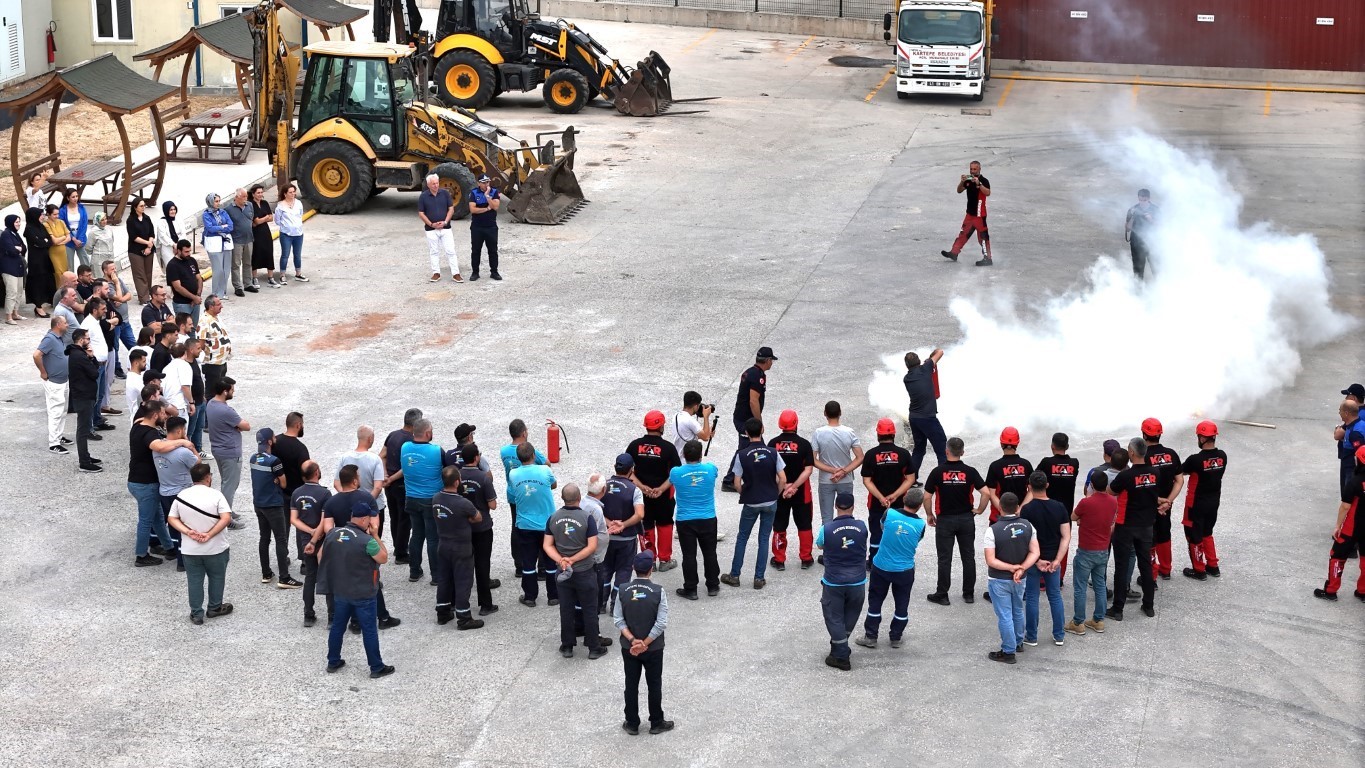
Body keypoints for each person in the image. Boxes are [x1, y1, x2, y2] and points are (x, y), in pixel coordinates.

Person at [316, 502, 395, 678]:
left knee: (338, 626)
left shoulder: (333, 533)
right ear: (365, 519)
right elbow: (383, 558)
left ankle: (333, 661)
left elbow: (320, 555)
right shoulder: (367, 541)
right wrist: (375, 535)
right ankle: (376, 667)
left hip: (340, 591)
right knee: (369, 630)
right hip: (363, 592)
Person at [316, 467, 401, 631]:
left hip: (342, 545)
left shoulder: (332, 502)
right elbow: (374, 523)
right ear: (355, 480)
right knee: (371, 580)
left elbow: (328, 528)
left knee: (349, 581)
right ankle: (382, 617)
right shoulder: (366, 497)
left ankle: (355, 621)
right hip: (363, 543)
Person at [854, 487, 926, 650]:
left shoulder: (889, 514)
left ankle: (871, 636)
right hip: (904, 570)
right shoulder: (920, 524)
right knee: (902, 603)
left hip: (881, 567)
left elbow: (882, 527)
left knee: (875, 601)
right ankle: (895, 637)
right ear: (920, 506)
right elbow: (918, 538)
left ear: (905, 498)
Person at [923, 436, 990, 606]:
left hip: (945, 520)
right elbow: (986, 493)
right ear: (962, 452)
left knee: (945, 558)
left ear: (946, 451)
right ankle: (968, 594)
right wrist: (980, 510)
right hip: (966, 519)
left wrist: (930, 514)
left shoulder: (937, 472)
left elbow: (927, 496)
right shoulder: (970, 471)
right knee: (968, 557)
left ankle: (942, 594)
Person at [721, 418, 786, 590]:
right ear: (762, 430)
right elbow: (783, 479)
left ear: (747, 433)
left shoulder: (742, 455)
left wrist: (746, 493)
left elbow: (736, 483)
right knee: (764, 538)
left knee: (742, 537)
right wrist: (775, 494)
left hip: (751, 502)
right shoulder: (773, 452)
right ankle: (759, 578)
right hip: (770, 501)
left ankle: (735, 575)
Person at [128, 401, 193, 566]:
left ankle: (169, 547)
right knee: (146, 520)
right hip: (146, 483)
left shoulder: (138, 424)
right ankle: (141, 556)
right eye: (164, 413)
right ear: (155, 415)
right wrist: (183, 442)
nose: (166, 417)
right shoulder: (150, 434)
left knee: (157, 517)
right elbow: (159, 446)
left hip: (138, 481)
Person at [167, 463, 234, 624]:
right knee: (217, 577)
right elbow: (226, 518)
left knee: (194, 580)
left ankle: (196, 613)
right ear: (208, 477)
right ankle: (214, 607)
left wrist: (187, 531)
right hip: (216, 547)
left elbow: (171, 518)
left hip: (191, 548)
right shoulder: (216, 495)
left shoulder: (182, 496)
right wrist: (209, 534)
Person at [615, 551, 673, 735]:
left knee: (631, 684)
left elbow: (618, 619)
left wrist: (633, 640)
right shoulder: (658, 591)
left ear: (633, 568)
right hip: (654, 648)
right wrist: (646, 643)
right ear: (650, 570)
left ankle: (632, 722)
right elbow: (661, 622)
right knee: (654, 683)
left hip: (629, 647)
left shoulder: (623, 590)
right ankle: (656, 721)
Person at [544, 484, 604, 658]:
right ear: (579, 498)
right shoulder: (587, 518)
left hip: (563, 572)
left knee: (566, 609)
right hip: (584, 571)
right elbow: (592, 546)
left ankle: (568, 646)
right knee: (590, 609)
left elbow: (547, 545)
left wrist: (561, 560)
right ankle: (594, 647)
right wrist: (574, 559)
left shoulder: (553, 518)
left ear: (563, 499)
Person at [1107, 438, 1160, 620]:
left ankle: (1118, 609)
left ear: (1131, 452)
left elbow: (1111, 491)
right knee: (1145, 565)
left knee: (1121, 567)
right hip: (1146, 526)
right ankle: (1149, 606)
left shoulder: (1126, 476)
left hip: (1126, 525)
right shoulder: (1155, 473)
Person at [816, 492, 868, 671]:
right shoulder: (862, 527)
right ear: (853, 507)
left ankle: (841, 655)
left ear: (835, 506)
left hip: (834, 582)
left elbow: (820, 545)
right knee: (851, 614)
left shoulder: (827, 528)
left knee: (833, 617)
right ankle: (841, 645)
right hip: (857, 581)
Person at [1019, 472, 1071, 647]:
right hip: (1052, 561)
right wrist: (1057, 560)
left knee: (1032, 597)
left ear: (1029, 486)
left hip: (1035, 560)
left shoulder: (1026, 510)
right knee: (1055, 596)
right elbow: (1066, 536)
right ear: (1047, 485)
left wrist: (1036, 560)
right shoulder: (1060, 507)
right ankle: (1059, 635)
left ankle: (1032, 636)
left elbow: (1024, 539)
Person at [984, 493, 1038, 664]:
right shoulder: (1028, 525)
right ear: (1017, 508)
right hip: (1020, 579)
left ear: (1000, 507)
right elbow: (1035, 552)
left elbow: (990, 560)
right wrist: (1021, 568)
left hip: (999, 579)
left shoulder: (993, 530)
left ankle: (1008, 651)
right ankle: (1018, 642)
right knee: (1017, 610)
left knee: (1005, 615)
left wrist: (1011, 567)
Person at [626, 410, 682, 571]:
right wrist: (660, 489)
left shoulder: (634, 445)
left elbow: (627, 471)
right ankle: (665, 560)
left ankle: (648, 559)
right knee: (665, 523)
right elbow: (675, 473)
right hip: (664, 495)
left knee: (646, 524)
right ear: (661, 426)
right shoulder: (669, 448)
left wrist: (642, 487)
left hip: (641, 496)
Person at [250, 427, 303, 589]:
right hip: (273, 504)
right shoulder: (274, 461)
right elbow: (284, 483)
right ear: (270, 441)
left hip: (258, 504)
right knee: (280, 539)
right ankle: (284, 577)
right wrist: (276, 480)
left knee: (264, 538)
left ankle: (266, 573)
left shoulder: (253, 458)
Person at [860, 418, 916, 569]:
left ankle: (873, 563)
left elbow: (867, 480)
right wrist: (896, 495)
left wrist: (881, 498)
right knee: (898, 530)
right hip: (898, 503)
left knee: (877, 533)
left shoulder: (871, 455)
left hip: (876, 502)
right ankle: (896, 560)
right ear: (893, 434)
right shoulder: (903, 454)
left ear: (878, 434)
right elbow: (910, 479)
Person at [1065, 472, 1117, 635]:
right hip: (1103, 550)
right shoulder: (1112, 502)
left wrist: (1082, 520)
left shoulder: (1086, 503)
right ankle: (1098, 620)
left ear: (1092, 485)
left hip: (1086, 550)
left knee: (1080, 587)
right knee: (1100, 585)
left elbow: (1073, 516)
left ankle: (1078, 622)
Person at [433, 466, 484, 629]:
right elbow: (478, 517)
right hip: (461, 548)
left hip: (443, 545)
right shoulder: (463, 503)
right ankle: (463, 617)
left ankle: (442, 612)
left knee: (444, 579)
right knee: (463, 581)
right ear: (457, 482)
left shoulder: (435, 499)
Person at [509, 441, 559, 606]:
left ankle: (530, 596)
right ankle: (554, 595)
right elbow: (554, 484)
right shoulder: (545, 470)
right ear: (534, 456)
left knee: (528, 561)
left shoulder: (513, 474)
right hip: (546, 524)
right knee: (551, 559)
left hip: (525, 525)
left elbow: (513, 491)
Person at [670, 440, 721, 600]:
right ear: (700, 455)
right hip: (707, 517)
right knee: (710, 552)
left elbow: (671, 483)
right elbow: (713, 473)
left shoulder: (676, 472)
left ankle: (691, 589)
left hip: (685, 519)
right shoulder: (710, 469)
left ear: (684, 455)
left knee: (689, 555)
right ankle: (713, 585)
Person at [1315, 445, 1365, 602]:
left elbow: (1345, 506)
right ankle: (1363, 591)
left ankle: (1330, 591)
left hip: (1352, 527)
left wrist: (1337, 526)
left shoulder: (1355, 482)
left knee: (1337, 555)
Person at [397, 418, 444, 583]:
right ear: (428, 433)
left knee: (416, 535)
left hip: (411, 498)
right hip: (430, 499)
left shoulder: (405, 447)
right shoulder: (437, 450)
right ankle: (437, 576)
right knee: (433, 538)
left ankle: (414, 571)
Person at [456, 442, 500, 615]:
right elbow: (493, 504)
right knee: (482, 566)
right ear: (476, 458)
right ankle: (485, 604)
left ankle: (459, 603)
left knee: (464, 566)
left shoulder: (457, 475)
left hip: (463, 527)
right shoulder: (483, 478)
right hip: (482, 528)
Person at [1180, 421, 1227, 581]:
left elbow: (1180, 471)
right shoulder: (1222, 456)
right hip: (1214, 502)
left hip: (1196, 503)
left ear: (1201, 438)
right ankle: (1213, 566)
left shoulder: (1195, 460)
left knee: (1194, 536)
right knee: (1207, 532)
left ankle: (1199, 570)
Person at [769, 409, 816, 570]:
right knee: (804, 524)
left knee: (779, 525)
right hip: (801, 492)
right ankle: (806, 558)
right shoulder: (804, 444)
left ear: (780, 425)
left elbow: (771, 469)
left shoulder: (772, 444)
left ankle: (779, 559)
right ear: (796, 423)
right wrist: (794, 486)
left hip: (779, 492)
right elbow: (808, 470)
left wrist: (784, 486)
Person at [724, 347, 776, 490]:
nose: (772, 363)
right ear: (767, 360)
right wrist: (759, 423)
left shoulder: (751, 372)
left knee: (752, 447)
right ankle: (729, 480)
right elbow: (753, 401)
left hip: (743, 417)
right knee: (749, 448)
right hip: (746, 420)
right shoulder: (757, 376)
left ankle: (736, 479)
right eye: (771, 360)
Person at [599, 454, 645, 610]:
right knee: (624, 572)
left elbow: (595, 507)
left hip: (607, 537)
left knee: (605, 570)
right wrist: (623, 525)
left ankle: (600, 602)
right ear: (631, 470)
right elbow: (639, 514)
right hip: (627, 539)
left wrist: (608, 523)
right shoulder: (635, 490)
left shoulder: (602, 486)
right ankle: (616, 606)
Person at [154, 415, 200, 569]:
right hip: (181, 494)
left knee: (173, 526)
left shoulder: (158, 447)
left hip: (164, 492)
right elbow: (198, 463)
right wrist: (192, 446)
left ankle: (172, 552)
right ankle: (183, 562)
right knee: (184, 529)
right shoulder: (183, 453)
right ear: (180, 431)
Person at [1140, 418, 1183, 581]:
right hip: (1165, 506)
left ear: (1144, 434)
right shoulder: (1171, 454)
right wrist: (1167, 502)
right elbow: (1179, 481)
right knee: (1165, 533)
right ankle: (1166, 569)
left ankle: (1151, 574)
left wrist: (1157, 500)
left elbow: (1139, 483)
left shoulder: (1142, 457)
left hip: (1148, 504)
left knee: (1149, 537)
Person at [290, 462, 332, 626]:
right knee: (328, 576)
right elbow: (325, 519)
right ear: (316, 472)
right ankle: (332, 616)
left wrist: (308, 532)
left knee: (310, 577)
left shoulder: (296, 493)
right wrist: (316, 533)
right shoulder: (325, 494)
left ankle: (308, 614)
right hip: (321, 542)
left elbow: (293, 519)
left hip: (305, 541)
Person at [811, 400, 864, 529]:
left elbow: (812, 460)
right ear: (840, 413)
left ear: (825, 413)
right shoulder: (849, 432)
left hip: (825, 480)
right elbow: (860, 457)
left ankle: (828, 546)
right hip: (845, 480)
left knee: (827, 518)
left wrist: (832, 470)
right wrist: (843, 471)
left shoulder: (818, 433)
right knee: (846, 516)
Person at [205, 377, 249, 527]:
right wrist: (237, 426)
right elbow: (246, 426)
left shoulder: (211, 404)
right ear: (225, 391)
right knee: (230, 486)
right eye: (232, 389)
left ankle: (227, 511)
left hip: (218, 449)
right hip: (230, 452)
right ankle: (226, 519)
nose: (233, 392)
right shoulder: (226, 410)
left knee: (226, 483)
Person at [380, 408, 422, 562]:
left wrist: (385, 475)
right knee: (405, 519)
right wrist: (391, 478)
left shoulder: (393, 435)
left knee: (394, 516)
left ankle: (398, 547)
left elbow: (381, 456)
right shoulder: (411, 441)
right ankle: (401, 553)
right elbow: (407, 466)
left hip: (389, 485)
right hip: (401, 484)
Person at [335, 426, 388, 539]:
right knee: (372, 542)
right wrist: (365, 504)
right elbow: (378, 487)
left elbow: (336, 483)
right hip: (373, 508)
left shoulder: (345, 457)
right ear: (370, 439)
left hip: (349, 509)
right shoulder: (375, 459)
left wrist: (347, 499)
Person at [939, 160, 993, 267]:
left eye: (975, 169)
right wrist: (961, 181)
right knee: (963, 234)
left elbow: (988, 193)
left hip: (979, 215)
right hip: (970, 214)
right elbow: (959, 190)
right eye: (971, 169)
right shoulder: (968, 180)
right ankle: (954, 253)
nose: (972, 171)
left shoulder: (984, 180)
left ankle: (988, 258)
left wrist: (979, 184)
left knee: (982, 237)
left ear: (979, 169)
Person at [903, 349, 947, 476]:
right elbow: (940, 352)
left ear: (907, 365)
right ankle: (942, 479)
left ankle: (911, 478)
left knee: (919, 449)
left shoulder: (907, 378)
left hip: (914, 418)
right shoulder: (925, 368)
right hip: (928, 418)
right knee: (941, 449)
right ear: (918, 361)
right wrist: (930, 359)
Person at [65, 328, 102, 472]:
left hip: (84, 395)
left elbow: (94, 369)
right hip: (83, 396)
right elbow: (94, 373)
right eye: (87, 338)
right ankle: (84, 462)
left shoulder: (78, 354)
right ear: (81, 340)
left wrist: (91, 357)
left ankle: (86, 456)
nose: (89, 341)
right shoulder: (79, 356)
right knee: (83, 430)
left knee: (84, 428)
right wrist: (91, 359)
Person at [33, 316, 71, 455]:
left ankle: (59, 436)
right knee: (55, 411)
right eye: (65, 323)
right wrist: (43, 372)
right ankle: (53, 443)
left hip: (63, 380)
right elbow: (37, 355)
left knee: (62, 409)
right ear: (58, 324)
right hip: (54, 381)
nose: (67, 325)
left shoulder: (59, 338)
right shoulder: (49, 339)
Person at [419, 173, 461, 282]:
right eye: (433, 184)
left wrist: (445, 222)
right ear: (428, 185)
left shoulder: (445, 194)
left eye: (437, 183)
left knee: (450, 250)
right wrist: (431, 224)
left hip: (445, 228)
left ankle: (456, 273)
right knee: (434, 251)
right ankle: (436, 273)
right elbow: (421, 213)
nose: (436, 185)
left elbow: (451, 209)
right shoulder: (423, 196)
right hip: (431, 229)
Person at [985, 427, 1033, 524]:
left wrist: (1004, 511)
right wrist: (1021, 509)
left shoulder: (995, 466)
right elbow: (1032, 491)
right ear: (1017, 443)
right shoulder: (1026, 464)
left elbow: (991, 494)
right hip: (1021, 517)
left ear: (1001, 443)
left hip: (999, 518)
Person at [100, 260, 135, 377]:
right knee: (115, 347)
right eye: (112, 269)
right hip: (115, 323)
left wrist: (122, 299)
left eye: (115, 268)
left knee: (133, 345)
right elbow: (118, 297)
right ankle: (117, 368)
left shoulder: (118, 280)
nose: (115, 271)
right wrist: (116, 284)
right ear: (105, 271)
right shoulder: (105, 285)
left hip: (125, 320)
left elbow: (129, 295)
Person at [1036, 433, 1081, 514]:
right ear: (1067, 446)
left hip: (1048, 510)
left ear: (1052, 446)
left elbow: (1034, 479)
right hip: (1066, 511)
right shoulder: (1074, 463)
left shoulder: (1046, 462)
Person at [200, 193, 233, 300]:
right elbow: (210, 228)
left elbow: (231, 226)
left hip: (226, 242)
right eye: (216, 201)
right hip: (214, 243)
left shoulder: (223, 212)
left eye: (219, 201)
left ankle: (223, 291)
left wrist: (219, 228)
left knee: (226, 269)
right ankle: (215, 293)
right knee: (218, 269)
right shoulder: (206, 214)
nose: (218, 203)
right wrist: (223, 227)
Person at [23, 207, 56, 318]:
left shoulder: (41, 226)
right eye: (40, 214)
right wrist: (43, 242)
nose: (43, 216)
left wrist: (44, 242)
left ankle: (46, 302)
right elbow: (39, 242)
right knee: (37, 283)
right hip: (36, 261)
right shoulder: (29, 229)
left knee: (47, 280)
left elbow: (49, 241)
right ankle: (38, 307)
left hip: (45, 258)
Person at [468, 174, 501, 280]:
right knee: (476, 250)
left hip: (491, 226)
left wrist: (487, 196)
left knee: (493, 250)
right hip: (477, 227)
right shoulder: (473, 193)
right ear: (478, 183)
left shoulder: (494, 192)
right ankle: (475, 272)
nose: (486, 184)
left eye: (488, 182)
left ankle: (494, 272)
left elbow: (495, 207)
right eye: (484, 182)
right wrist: (486, 209)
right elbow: (473, 210)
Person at [273, 411, 311, 501]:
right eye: (302, 424)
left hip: (277, 493)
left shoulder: (274, 442)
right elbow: (306, 474)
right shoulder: (301, 448)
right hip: (295, 496)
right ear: (298, 425)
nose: (303, 427)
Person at [225, 188, 256, 295]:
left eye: (246, 196)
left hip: (249, 239)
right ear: (236, 197)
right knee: (236, 264)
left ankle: (248, 284)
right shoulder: (228, 209)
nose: (245, 199)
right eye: (243, 197)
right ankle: (237, 286)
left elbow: (251, 218)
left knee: (248, 263)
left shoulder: (249, 206)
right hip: (237, 240)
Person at [275, 183, 307, 283]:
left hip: (298, 234)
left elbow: (300, 215)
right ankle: (282, 275)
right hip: (286, 234)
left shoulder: (298, 203)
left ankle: (298, 273)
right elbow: (277, 220)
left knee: (297, 254)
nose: (293, 194)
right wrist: (286, 226)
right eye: (290, 192)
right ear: (285, 194)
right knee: (285, 254)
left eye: (294, 192)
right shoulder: (280, 206)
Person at [199, 295, 231, 394]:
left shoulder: (216, 317)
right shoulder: (204, 321)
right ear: (211, 306)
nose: (222, 306)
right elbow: (201, 342)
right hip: (212, 363)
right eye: (219, 304)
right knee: (212, 392)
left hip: (221, 361)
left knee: (220, 390)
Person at [126, 198, 157, 302]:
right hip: (135, 251)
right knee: (140, 274)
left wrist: (149, 246)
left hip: (148, 249)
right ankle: (143, 298)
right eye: (141, 206)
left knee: (148, 273)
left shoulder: (147, 218)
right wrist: (147, 243)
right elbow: (133, 236)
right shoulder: (130, 220)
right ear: (135, 207)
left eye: (144, 205)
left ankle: (148, 294)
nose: (143, 208)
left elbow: (152, 233)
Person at [166, 239, 202, 326]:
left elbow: (199, 278)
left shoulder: (192, 260)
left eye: (189, 251)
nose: (188, 254)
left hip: (195, 302)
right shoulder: (172, 265)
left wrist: (197, 296)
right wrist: (194, 297)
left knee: (193, 328)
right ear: (178, 251)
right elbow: (178, 287)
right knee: (183, 329)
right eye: (186, 251)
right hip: (182, 304)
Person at [1124, 188, 1158, 278]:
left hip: (1152, 243)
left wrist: (1151, 219)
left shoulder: (1155, 210)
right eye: (1140, 200)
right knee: (1138, 270)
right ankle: (1138, 290)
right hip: (1136, 244)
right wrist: (1132, 217)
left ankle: (1160, 288)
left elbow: (1161, 226)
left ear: (1149, 198)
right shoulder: (1133, 209)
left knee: (1156, 268)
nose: (1142, 202)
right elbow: (1127, 229)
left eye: (1145, 200)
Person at [1, 214, 28, 325]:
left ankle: (15, 313)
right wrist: (17, 249)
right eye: (16, 222)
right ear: (10, 222)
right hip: (9, 267)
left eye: (19, 221)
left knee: (19, 291)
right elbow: (11, 250)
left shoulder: (15, 234)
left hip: (18, 266)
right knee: (11, 292)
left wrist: (18, 248)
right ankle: (8, 316)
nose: (18, 224)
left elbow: (24, 248)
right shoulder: (5, 234)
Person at [1335, 399, 1365, 495]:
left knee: (1349, 497)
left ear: (1346, 413)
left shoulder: (1355, 432)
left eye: (1340, 410)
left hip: (1351, 470)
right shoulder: (1354, 425)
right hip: (1348, 467)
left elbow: (1360, 455)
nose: (1339, 413)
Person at [671, 391, 715, 456]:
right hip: (688, 460)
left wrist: (707, 433)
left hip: (678, 457)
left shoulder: (676, 416)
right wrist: (706, 417)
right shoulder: (690, 420)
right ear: (695, 406)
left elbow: (687, 436)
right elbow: (705, 437)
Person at [249, 185, 276, 288]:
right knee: (255, 254)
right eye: (258, 193)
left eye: (261, 192)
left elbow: (271, 218)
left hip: (265, 231)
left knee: (269, 253)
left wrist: (262, 219)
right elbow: (256, 221)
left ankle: (271, 277)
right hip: (255, 233)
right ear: (253, 194)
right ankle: (254, 278)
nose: (260, 194)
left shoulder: (264, 203)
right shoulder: (251, 204)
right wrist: (265, 218)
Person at [57, 189, 89, 269]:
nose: (75, 198)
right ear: (68, 198)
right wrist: (73, 238)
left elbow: (84, 224)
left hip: (80, 238)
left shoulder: (81, 208)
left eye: (76, 196)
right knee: (69, 264)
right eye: (73, 197)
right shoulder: (62, 210)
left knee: (85, 262)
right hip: (69, 239)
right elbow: (62, 225)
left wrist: (80, 239)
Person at [43, 203, 72, 277]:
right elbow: (54, 241)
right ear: (48, 214)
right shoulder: (46, 224)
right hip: (53, 252)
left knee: (65, 272)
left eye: (58, 214)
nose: (57, 216)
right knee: (58, 273)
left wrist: (61, 241)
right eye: (54, 214)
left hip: (63, 251)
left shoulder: (61, 222)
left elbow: (69, 237)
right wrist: (63, 237)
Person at [155, 201, 180, 278]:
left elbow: (183, 233)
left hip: (179, 247)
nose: (173, 211)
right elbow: (163, 236)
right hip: (167, 249)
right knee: (172, 270)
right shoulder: (161, 222)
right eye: (170, 210)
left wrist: (179, 245)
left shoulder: (178, 220)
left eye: (174, 209)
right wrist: (173, 245)